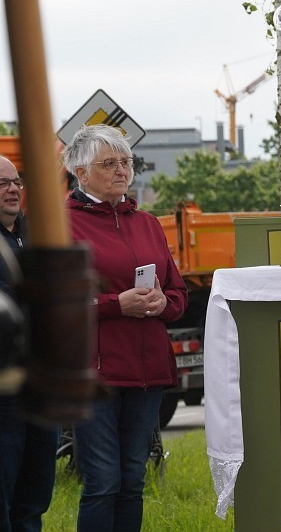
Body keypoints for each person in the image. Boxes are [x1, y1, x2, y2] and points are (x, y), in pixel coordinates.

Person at [61, 125, 188, 532]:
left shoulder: (148, 222)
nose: (121, 170)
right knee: (103, 482)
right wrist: (117, 304)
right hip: (94, 372)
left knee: (133, 481)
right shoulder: (61, 224)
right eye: (109, 163)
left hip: (147, 370)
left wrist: (162, 302)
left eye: (126, 162)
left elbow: (178, 292)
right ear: (81, 173)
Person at [0, 156, 58, 532]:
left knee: (35, 493)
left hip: (41, 383)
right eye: (1, 183)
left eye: (16, 182)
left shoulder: (40, 234)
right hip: (4, 389)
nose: (11, 189)